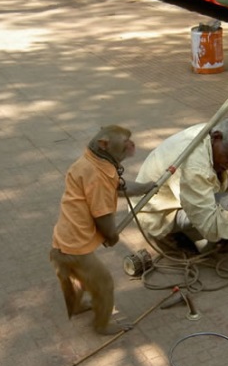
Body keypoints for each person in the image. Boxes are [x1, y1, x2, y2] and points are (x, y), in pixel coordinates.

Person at [49, 125, 153, 335]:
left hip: (62, 242)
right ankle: (102, 325)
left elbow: (119, 187)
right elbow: (102, 217)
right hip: (75, 247)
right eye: (126, 143)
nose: (132, 146)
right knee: (104, 284)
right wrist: (112, 236)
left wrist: (146, 187)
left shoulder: (92, 162)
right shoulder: (96, 175)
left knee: (73, 278)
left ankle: (76, 306)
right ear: (104, 145)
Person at [134, 117, 228, 253]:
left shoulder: (215, 137)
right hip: (158, 212)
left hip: (189, 190)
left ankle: (219, 227)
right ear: (216, 137)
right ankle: (175, 235)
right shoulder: (194, 166)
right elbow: (209, 224)